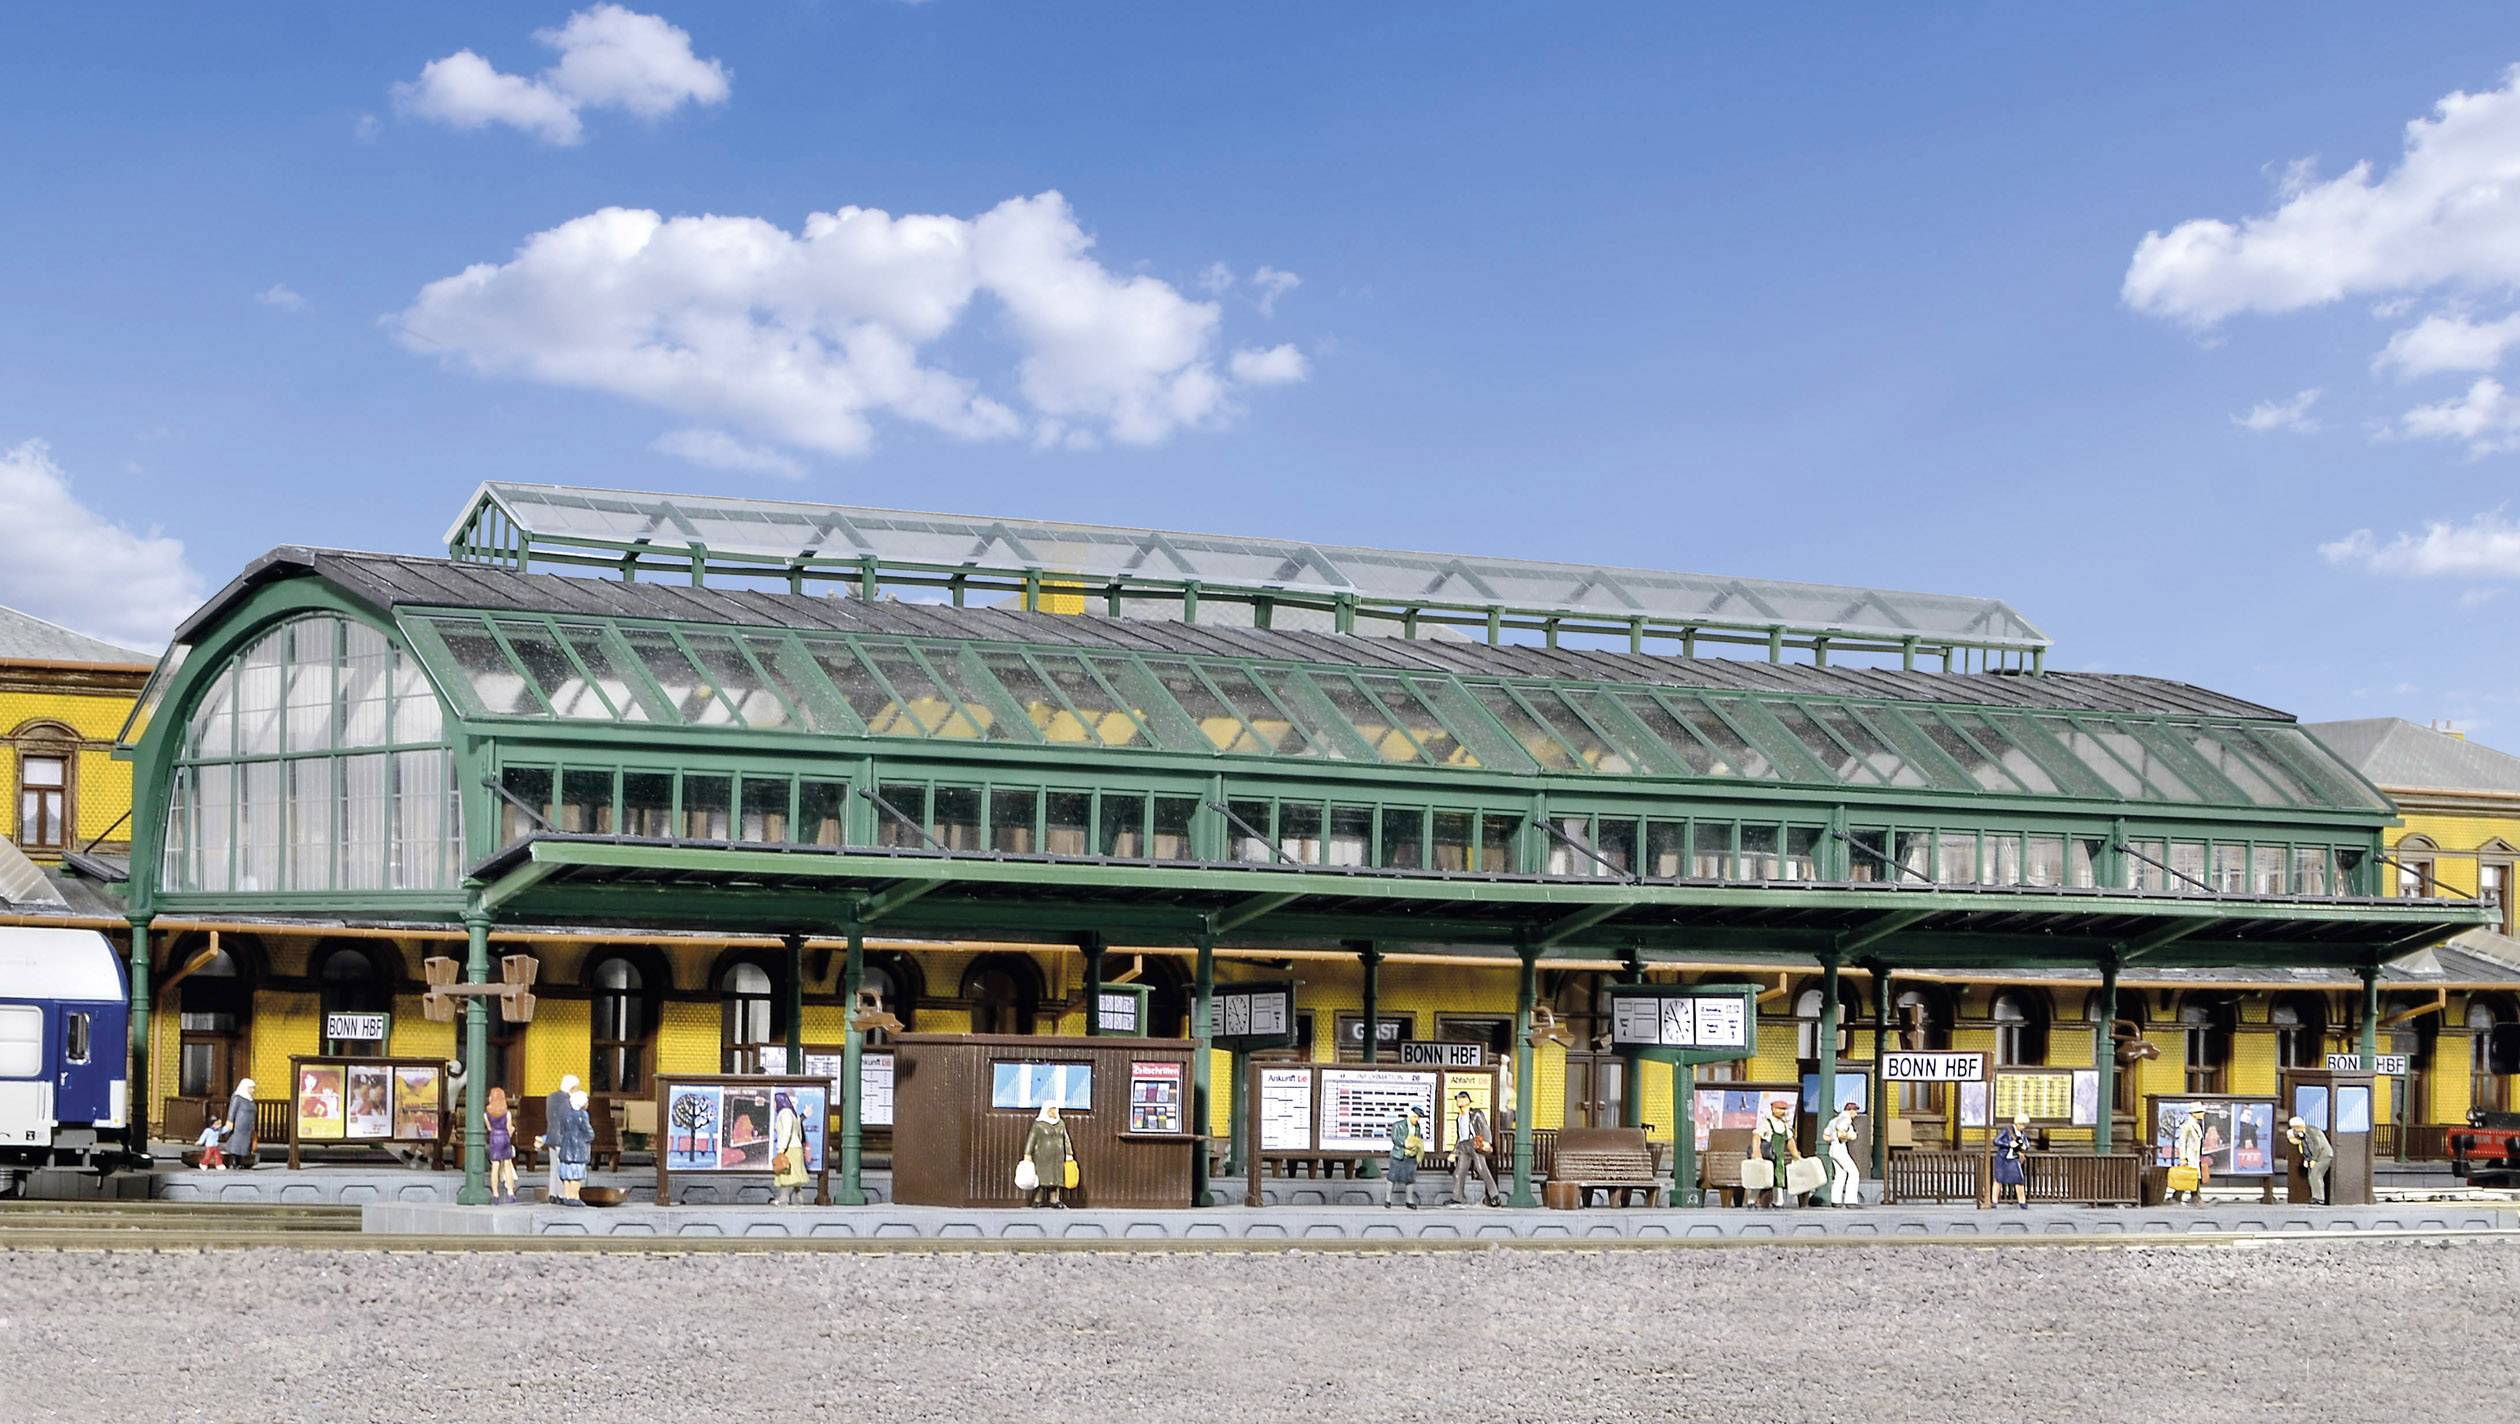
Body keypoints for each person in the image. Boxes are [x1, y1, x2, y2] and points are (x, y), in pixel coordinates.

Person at [543, 1088, 593, 1206]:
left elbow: (561, 1130)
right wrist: (588, 1138)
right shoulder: (582, 1115)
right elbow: (588, 1132)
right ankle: (574, 1196)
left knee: (567, 1172)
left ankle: (567, 1195)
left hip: (565, 1147)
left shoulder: (565, 1115)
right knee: (577, 1173)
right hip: (577, 1149)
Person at [1449, 1091, 1498, 1207]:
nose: (1459, 1101)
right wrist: (1454, 1152)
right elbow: (1459, 1136)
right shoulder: (1459, 1118)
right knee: (1458, 1173)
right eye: (1458, 1098)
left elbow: (1485, 1127)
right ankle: (1457, 1197)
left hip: (1474, 1143)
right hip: (1463, 1145)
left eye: (1462, 1098)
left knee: (1482, 1169)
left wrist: (1487, 1142)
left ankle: (1494, 1195)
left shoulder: (1476, 1114)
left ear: (1468, 1100)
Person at [1749, 1097, 1800, 1207]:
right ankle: (1752, 1199)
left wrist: (1795, 1154)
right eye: (1779, 1108)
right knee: (1762, 1177)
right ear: (1773, 1109)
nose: (1782, 1111)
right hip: (1767, 1156)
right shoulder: (1766, 1123)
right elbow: (1756, 1136)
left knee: (1779, 1177)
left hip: (1779, 1156)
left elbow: (1789, 1140)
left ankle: (1778, 1200)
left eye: (1784, 1109)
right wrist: (1756, 1152)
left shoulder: (1784, 1125)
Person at [1024, 1103, 1074, 1208]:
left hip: (1058, 1157)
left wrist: (1069, 1153)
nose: (1054, 1112)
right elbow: (1031, 1140)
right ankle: (1037, 1200)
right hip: (1043, 1157)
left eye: (1055, 1109)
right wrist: (1027, 1154)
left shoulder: (1061, 1124)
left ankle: (1055, 1200)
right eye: (1051, 1110)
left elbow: (1066, 1139)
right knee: (1042, 1178)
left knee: (1056, 1179)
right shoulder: (1039, 1125)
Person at [543, 1074, 581, 1205]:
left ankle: (552, 1193)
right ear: (572, 1087)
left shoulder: (551, 1098)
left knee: (553, 1167)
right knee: (563, 1167)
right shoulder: (568, 1101)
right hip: (563, 1138)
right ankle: (561, 1194)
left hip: (551, 1135)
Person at [771, 1090, 809, 1206]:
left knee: (785, 1173)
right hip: (796, 1147)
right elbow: (799, 1134)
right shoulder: (793, 1113)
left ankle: (784, 1198)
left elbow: (786, 1132)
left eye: (774, 1102)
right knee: (795, 1174)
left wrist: (781, 1148)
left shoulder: (785, 1113)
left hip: (789, 1148)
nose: (773, 1105)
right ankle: (798, 1197)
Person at [1822, 1101, 1862, 1208]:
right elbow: (1841, 1134)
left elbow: (1825, 1136)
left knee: (1840, 1174)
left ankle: (1836, 1200)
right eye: (1855, 1111)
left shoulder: (1834, 1120)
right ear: (1850, 1110)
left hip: (1833, 1148)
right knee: (1854, 1172)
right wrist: (1848, 1136)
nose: (1856, 1114)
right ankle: (1851, 1200)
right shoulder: (1846, 1119)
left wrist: (1833, 1139)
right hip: (1840, 1148)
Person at [1385, 1104, 1426, 1209]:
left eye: (1418, 1117)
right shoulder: (1398, 1125)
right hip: (1399, 1154)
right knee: (1392, 1176)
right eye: (1415, 1117)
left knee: (1410, 1178)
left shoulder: (1417, 1127)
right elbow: (1395, 1138)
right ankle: (1388, 1199)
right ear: (1410, 1115)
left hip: (1411, 1155)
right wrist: (1405, 1143)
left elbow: (1417, 1138)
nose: (1417, 1119)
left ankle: (1409, 1200)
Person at [2288, 1115, 2335, 1205]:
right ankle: (2315, 1196)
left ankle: (2320, 1198)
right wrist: (2307, 1159)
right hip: (2315, 1157)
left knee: (2316, 1174)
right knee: (2311, 1176)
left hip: (2324, 1155)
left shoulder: (2312, 1131)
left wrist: (2314, 1159)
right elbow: (2306, 1148)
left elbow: (2317, 1146)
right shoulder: (2302, 1135)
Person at [484, 1087, 517, 1205]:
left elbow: (489, 1128)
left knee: (495, 1167)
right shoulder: (507, 1113)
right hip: (505, 1139)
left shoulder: (486, 1114)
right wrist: (512, 1130)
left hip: (494, 1138)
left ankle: (495, 1194)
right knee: (507, 1164)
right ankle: (510, 1192)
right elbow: (509, 1129)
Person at [1992, 1113, 2032, 1209]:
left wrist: (2024, 1147)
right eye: (2022, 1125)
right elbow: (1996, 1141)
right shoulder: (2007, 1130)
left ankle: (2022, 1201)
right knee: (1998, 1179)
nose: (2023, 1127)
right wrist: (2009, 1144)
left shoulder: (2022, 1134)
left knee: (2019, 1179)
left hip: (2014, 1158)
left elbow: (2026, 1143)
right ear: (2017, 1123)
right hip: (2003, 1157)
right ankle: (1994, 1200)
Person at [2172, 1106, 2207, 1205]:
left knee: (2191, 1176)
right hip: (2189, 1155)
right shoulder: (2187, 1126)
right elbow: (2182, 1142)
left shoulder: (2196, 1125)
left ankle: (2179, 1196)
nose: (2202, 1114)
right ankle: (2195, 1197)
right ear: (2194, 1113)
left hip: (2195, 1156)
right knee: (2190, 1176)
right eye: (2200, 1112)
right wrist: (2183, 1157)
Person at [222, 1078, 257, 1170]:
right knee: (236, 1142)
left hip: (248, 1125)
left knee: (245, 1144)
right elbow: (232, 1110)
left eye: (253, 1088)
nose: (252, 1090)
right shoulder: (238, 1097)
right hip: (239, 1124)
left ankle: (241, 1161)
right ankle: (233, 1161)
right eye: (251, 1088)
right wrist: (230, 1121)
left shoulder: (250, 1100)